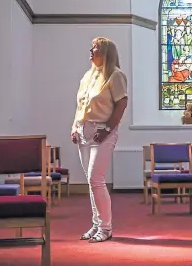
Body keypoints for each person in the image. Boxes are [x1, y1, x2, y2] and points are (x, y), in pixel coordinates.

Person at [71, 37, 128, 243]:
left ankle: (106, 227)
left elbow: (122, 104)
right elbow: (81, 105)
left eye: (95, 48)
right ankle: (96, 224)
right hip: (84, 132)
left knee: (96, 179)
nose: (91, 50)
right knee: (91, 181)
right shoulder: (87, 76)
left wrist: (107, 128)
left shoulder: (115, 75)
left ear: (106, 53)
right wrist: (74, 126)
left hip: (103, 132)